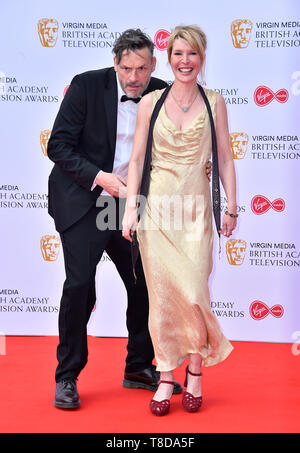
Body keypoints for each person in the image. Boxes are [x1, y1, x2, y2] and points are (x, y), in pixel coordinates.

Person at [47, 28, 212, 409]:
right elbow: (58, 145)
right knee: (79, 287)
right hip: (87, 201)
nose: (134, 77)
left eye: (141, 68)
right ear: (115, 64)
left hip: (131, 206)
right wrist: (100, 177)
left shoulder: (163, 93)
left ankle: (138, 366)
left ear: (154, 64)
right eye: (126, 68)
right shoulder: (86, 86)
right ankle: (67, 376)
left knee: (144, 285)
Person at [122, 25, 236, 416]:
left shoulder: (214, 103)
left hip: (196, 215)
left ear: (201, 58)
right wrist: (131, 208)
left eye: (192, 54)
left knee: (193, 294)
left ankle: (196, 372)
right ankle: (167, 376)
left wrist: (232, 207)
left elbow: (224, 158)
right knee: (162, 302)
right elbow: (136, 160)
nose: (185, 61)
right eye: (178, 54)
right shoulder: (150, 103)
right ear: (167, 59)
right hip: (157, 215)